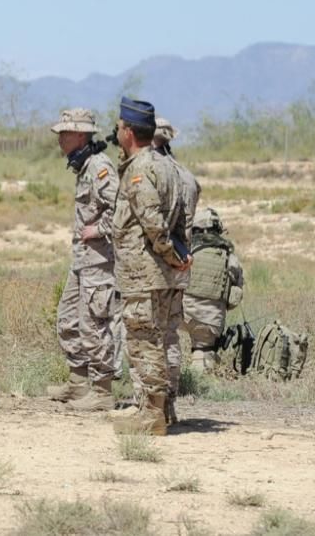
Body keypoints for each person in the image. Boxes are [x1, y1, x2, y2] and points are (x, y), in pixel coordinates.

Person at [109, 97, 190, 435]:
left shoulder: (141, 169)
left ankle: (151, 415)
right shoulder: (168, 165)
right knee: (162, 339)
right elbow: (183, 216)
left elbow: (153, 223)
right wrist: (182, 257)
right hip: (166, 273)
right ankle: (163, 409)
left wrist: (170, 254)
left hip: (145, 272)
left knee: (144, 342)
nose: (116, 131)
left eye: (119, 126)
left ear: (128, 131)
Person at [45, 109, 121, 411]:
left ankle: (101, 393)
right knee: (67, 320)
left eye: (65, 133)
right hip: (82, 260)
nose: (60, 139)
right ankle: (78, 385)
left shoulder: (100, 167)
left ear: (80, 134)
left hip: (99, 262)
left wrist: (99, 229)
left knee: (94, 324)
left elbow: (123, 209)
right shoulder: (84, 165)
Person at [152, 117, 201, 424]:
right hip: (181, 264)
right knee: (170, 334)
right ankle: (169, 401)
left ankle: (152, 403)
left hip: (155, 265)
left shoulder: (152, 173)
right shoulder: (187, 177)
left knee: (148, 335)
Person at [182, 207, 245, 372]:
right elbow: (233, 299)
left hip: (180, 314)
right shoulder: (230, 258)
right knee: (204, 353)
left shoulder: (184, 251)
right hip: (210, 321)